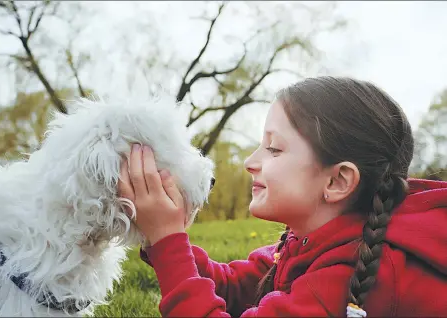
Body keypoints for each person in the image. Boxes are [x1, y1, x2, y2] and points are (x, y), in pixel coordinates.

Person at [117, 76, 447, 317]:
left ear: (337, 180)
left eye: (273, 148)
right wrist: (163, 236)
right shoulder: (303, 242)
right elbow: (233, 286)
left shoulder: (353, 275)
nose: (250, 163)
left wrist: (167, 239)